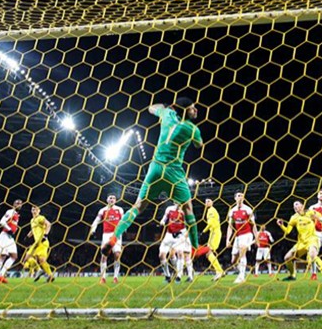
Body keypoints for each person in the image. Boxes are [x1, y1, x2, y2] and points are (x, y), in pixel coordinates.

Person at [102, 97, 208, 259]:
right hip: (173, 172)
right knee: (187, 208)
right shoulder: (193, 129)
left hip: (155, 168)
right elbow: (199, 145)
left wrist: (167, 107)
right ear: (185, 110)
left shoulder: (167, 115)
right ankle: (194, 247)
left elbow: (151, 108)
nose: (196, 110)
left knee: (137, 207)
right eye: (193, 108)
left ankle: (114, 237)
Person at [277, 200, 322, 282]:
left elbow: (321, 217)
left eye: (296, 204)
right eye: (294, 206)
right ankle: (292, 275)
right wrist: (281, 225)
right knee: (287, 258)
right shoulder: (293, 218)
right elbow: (287, 231)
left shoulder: (310, 213)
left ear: (302, 206)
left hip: (312, 239)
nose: (295, 207)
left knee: (312, 255)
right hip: (301, 243)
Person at [89, 194, 124, 283]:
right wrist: (93, 230)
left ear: (116, 200)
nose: (112, 199)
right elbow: (96, 220)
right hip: (106, 235)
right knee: (104, 256)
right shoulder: (103, 210)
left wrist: (123, 229)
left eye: (114, 198)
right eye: (110, 198)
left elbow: (123, 220)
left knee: (117, 255)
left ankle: (115, 277)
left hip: (116, 234)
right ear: (107, 200)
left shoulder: (119, 209)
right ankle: (103, 278)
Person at [225, 191, 258, 284]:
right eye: (239, 196)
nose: (240, 197)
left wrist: (256, 237)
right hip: (237, 236)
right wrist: (228, 239)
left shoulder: (248, 210)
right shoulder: (232, 211)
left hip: (247, 234)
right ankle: (240, 270)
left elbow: (253, 225)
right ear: (235, 198)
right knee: (233, 260)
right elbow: (230, 227)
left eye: (242, 196)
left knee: (242, 251)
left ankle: (241, 276)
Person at [0, 199, 22, 284]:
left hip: (10, 238)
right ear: (13, 205)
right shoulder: (10, 212)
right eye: (17, 203)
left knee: (14, 256)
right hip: (4, 235)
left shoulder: (16, 215)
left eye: (20, 204)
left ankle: (1, 275)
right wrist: (9, 230)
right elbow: (2, 221)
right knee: (3, 256)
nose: (19, 205)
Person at [23, 205, 54, 282]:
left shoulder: (40, 218)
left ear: (39, 211)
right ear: (31, 211)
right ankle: (48, 275)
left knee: (33, 259)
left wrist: (45, 235)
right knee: (39, 260)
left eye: (36, 209)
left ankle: (40, 271)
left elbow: (48, 224)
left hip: (42, 242)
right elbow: (33, 230)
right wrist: (27, 236)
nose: (34, 210)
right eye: (33, 209)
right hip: (37, 243)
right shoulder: (32, 220)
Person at [201, 198, 225, 281]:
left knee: (208, 252)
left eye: (209, 201)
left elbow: (210, 223)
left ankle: (219, 271)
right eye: (206, 201)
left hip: (214, 233)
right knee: (208, 254)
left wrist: (203, 231)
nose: (207, 202)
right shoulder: (211, 210)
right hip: (213, 233)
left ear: (212, 202)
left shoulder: (211, 210)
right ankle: (219, 271)